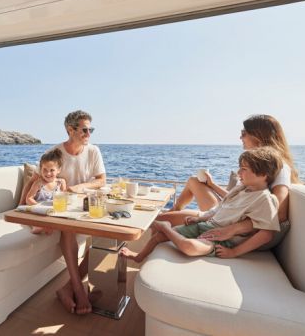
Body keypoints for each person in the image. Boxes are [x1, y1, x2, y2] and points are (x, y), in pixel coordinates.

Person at [158, 114, 299, 251]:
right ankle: (175, 210)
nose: (240, 137)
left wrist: (233, 229)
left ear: (259, 136)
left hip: (229, 222)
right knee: (194, 181)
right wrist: (212, 185)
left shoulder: (278, 167)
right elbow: (238, 199)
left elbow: (278, 214)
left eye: (244, 133)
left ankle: (169, 221)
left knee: (158, 220)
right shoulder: (255, 164)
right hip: (226, 211)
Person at [121, 147, 282, 262]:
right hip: (206, 224)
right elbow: (221, 207)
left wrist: (234, 252)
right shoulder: (242, 189)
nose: (239, 173)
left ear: (263, 174)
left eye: (244, 169)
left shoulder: (265, 199)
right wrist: (200, 219)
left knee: (189, 247)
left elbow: (266, 234)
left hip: (221, 240)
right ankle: (139, 257)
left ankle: (165, 227)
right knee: (158, 237)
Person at [20, 110, 106, 315]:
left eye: (90, 129)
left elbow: (101, 180)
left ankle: (67, 287)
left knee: (107, 234)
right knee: (68, 228)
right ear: (70, 130)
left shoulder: (93, 151)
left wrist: (79, 187)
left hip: (83, 204)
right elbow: (36, 179)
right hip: (62, 208)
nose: (88, 134)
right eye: (84, 130)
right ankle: (77, 288)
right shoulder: (55, 153)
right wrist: (22, 204)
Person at [25, 148, 67, 235]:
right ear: (40, 169)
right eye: (45, 170)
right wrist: (39, 207)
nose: (48, 173)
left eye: (52, 170)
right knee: (36, 218)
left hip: (52, 212)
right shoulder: (38, 183)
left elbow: (64, 199)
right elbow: (28, 198)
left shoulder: (61, 182)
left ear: (58, 170)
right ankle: (36, 226)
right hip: (39, 211)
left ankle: (48, 226)